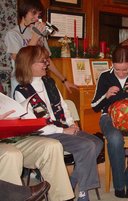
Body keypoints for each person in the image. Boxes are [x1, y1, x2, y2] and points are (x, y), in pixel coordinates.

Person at [14, 45, 103, 201]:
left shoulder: (49, 82)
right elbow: (34, 125)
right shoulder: (21, 91)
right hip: (44, 134)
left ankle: (71, 181)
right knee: (87, 146)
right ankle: (83, 192)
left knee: (97, 142)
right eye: (42, 61)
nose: (46, 64)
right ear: (29, 64)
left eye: (46, 60)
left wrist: (71, 123)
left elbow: (63, 106)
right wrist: (63, 131)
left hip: (62, 128)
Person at [91, 46, 128, 198]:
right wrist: (106, 95)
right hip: (109, 116)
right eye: (118, 69)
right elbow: (94, 107)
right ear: (112, 64)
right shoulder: (105, 76)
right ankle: (119, 184)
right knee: (115, 139)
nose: (122, 73)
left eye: (125, 69)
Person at [0, 106, 73, 200]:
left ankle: (61, 198)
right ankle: (17, 197)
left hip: (13, 136)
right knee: (10, 154)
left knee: (52, 146)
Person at [4, 0, 76, 96]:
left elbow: (47, 60)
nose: (36, 17)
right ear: (24, 12)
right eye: (33, 13)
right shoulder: (13, 34)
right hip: (22, 82)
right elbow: (19, 60)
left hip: (39, 81)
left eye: (38, 14)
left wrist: (64, 80)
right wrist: (35, 38)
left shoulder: (38, 32)